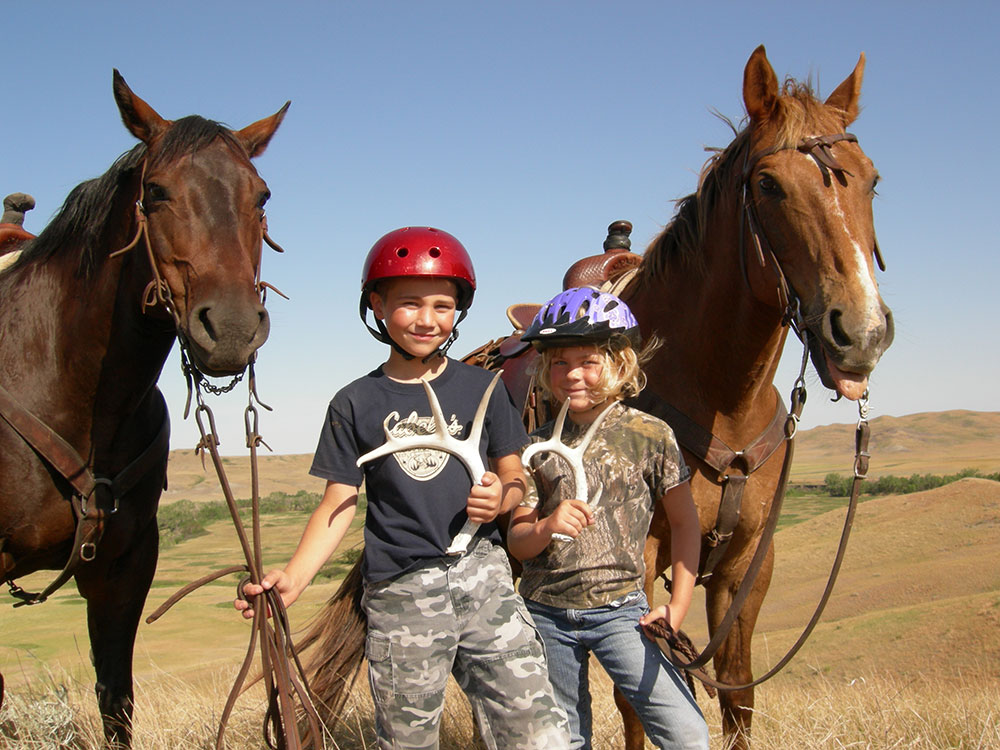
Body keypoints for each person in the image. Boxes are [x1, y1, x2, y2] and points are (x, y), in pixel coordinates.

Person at [236, 227, 570, 749]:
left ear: (459, 310)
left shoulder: (483, 387)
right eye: (410, 303)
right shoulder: (354, 402)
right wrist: (295, 579)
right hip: (401, 591)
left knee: (537, 731)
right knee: (408, 741)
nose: (428, 319)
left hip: (485, 579)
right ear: (377, 304)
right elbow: (338, 501)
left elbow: (514, 474)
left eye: (443, 304)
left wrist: (501, 499)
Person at [507, 287, 710, 750]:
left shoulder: (651, 435)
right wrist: (544, 526)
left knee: (687, 735)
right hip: (545, 614)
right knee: (563, 741)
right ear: (545, 369)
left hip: (622, 613)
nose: (573, 374)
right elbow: (518, 541)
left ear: (619, 364)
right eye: (560, 362)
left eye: (589, 361)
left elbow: (684, 524)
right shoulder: (533, 447)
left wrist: (676, 607)